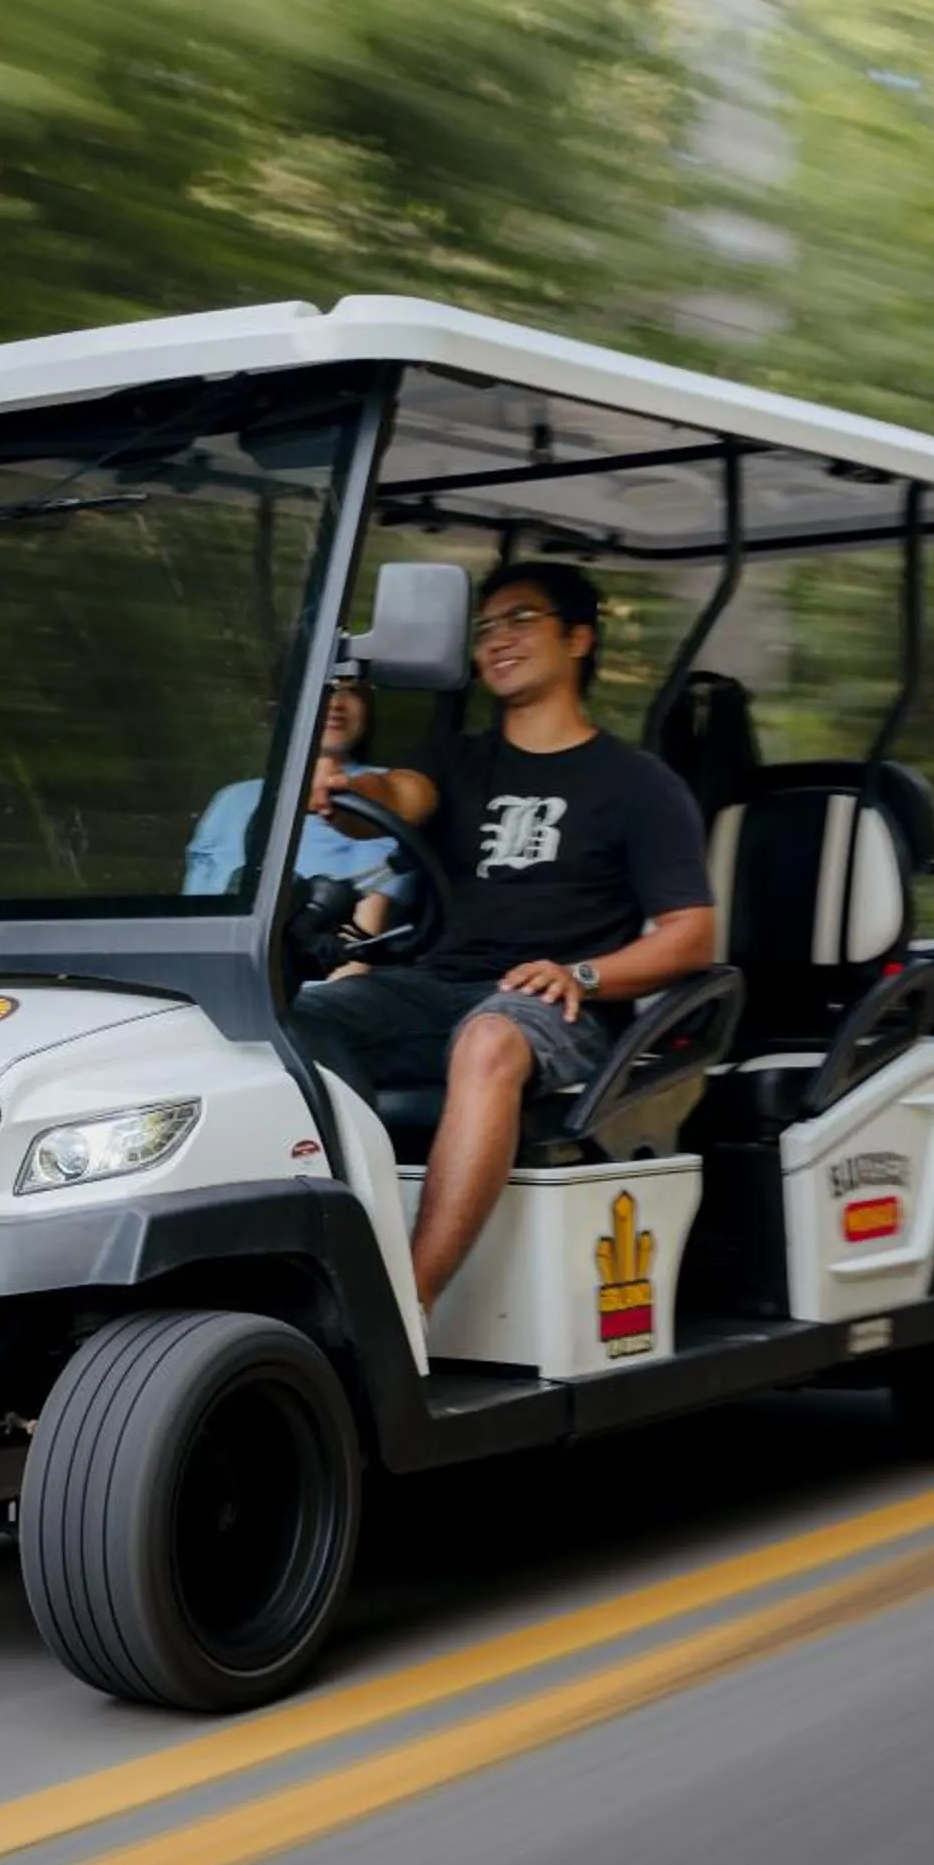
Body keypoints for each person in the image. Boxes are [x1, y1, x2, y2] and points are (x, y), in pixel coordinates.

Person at [293, 562, 716, 1314]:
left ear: (578, 637)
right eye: (484, 628)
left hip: (561, 1005)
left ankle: (402, 1308)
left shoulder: (638, 783)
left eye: (520, 620)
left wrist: (582, 975)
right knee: (290, 1021)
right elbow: (393, 797)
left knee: (489, 1037)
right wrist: (348, 791)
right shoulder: (457, 761)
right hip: (436, 989)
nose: (497, 640)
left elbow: (690, 937)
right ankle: (309, 1259)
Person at [184, 678, 405, 954]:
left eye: (353, 691)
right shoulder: (232, 800)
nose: (336, 702)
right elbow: (191, 913)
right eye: (325, 688)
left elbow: (363, 929)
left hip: (317, 981)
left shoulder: (386, 790)